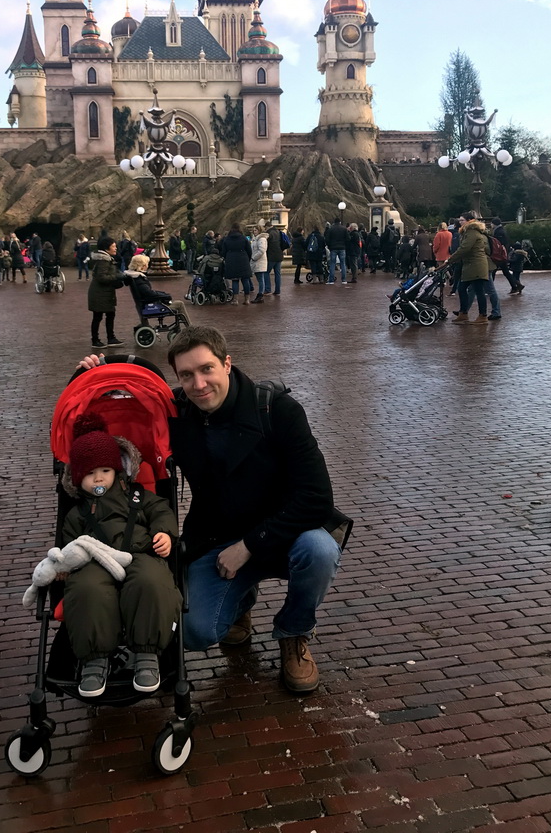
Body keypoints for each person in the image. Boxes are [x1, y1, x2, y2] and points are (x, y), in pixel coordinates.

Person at [166, 326, 346, 694]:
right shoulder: (178, 412)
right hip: (216, 534)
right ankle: (239, 604)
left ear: (227, 363)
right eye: (186, 375)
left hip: (284, 533)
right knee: (196, 633)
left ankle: (294, 634)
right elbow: (124, 408)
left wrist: (249, 545)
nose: (198, 384)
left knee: (321, 550)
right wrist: (88, 374)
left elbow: (316, 497)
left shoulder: (276, 409)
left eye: (206, 369)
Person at [59, 414, 181, 697]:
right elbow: (70, 544)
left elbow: (161, 511)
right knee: (86, 588)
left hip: (139, 554)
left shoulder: (137, 497)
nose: (99, 477)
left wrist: (164, 532)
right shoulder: (77, 514)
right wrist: (64, 563)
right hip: (94, 560)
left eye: (105, 470)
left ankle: (148, 654)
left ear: (119, 469)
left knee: (151, 581)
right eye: (90, 474)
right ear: (79, 479)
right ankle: (94, 659)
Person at [444, 213, 490, 324]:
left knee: (478, 291)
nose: (460, 222)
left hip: (476, 265)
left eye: (462, 220)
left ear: (469, 220)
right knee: (462, 288)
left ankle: (482, 315)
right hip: (470, 265)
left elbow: (464, 248)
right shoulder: (467, 232)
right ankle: (463, 313)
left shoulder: (472, 232)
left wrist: (450, 259)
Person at [123, 254, 190, 323]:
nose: (147, 266)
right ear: (142, 266)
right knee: (179, 304)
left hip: (144, 304)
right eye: (146, 264)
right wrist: (166, 296)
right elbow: (149, 293)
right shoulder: (139, 279)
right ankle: (190, 327)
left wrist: (162, 294)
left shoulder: (134, 278)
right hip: (150, 306)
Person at [88, 236, 125, 348]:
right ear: (106, 248)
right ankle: (96, 340)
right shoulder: (103, 260)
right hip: (100, 293)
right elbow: (102, 278)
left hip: (104, 293)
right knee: (98, 316)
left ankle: (111, 338)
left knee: (110, 314)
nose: (115, 248)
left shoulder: (106, 259)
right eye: (113, 246)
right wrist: (118, 276)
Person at [220, 223, 253, 305]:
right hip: (243, 259)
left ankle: (235, 299)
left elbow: (223, 252)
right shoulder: (243, 238)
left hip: (231, 260)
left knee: (235, 280)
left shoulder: (227, 239)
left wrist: (226, 257)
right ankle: (247, 299)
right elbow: (249, 250)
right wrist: (247, 258)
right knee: (245, 280)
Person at [490, 218, 519, 292]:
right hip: (502, 255)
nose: (491, 225)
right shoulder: (501, 230)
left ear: (494, 224)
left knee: (493, 271)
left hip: (500, 255)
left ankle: (490, 288)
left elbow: (498, 244)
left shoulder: (498, 232)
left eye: (491, 223)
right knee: (505, 272)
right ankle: (516, 285)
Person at [325, 218, 348, 285]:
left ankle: (331, 280)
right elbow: (348, 238)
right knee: (343, 263)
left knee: (332, 263)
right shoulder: (344, 229)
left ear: (334, 222)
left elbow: (327, 239)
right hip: (342, 248)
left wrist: (329, 246)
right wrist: (344, 245)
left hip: (333, 248)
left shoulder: (331, 229)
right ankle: (343, 280)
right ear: (340, 222)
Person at [250, 225, 269, 303]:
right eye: (253, 230)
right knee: (260, 279)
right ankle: (260, 294)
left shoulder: (261, 239)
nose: (254, 232)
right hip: (256, 261)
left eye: (256, 230)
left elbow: (261, 250)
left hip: (259, 261)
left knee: (261, 279)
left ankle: (260, 295)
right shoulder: (255, 239)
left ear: (259, 231)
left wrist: (254, 257)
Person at [265, 224, 284, 295]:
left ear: (267, 227)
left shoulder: (268, 234)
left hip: (271, 256)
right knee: (278, 274)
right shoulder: (278, 232)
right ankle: (277, 290)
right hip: (279, 256)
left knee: (266, 272)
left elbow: (266, 245)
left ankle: (267, 289)